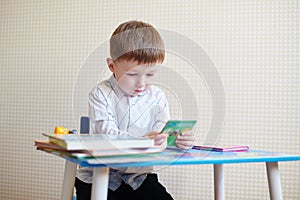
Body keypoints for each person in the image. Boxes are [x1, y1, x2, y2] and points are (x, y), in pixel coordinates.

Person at [75, 20, 195, 200]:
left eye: (150, 74)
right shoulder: (101, 93)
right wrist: (142, 141)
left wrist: (177, 141)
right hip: (99, 177)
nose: (141, 83)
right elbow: (107, 135)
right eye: (132, 74)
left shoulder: (157, 97)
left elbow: (162, 137)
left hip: (139, 178)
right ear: (112, 66)